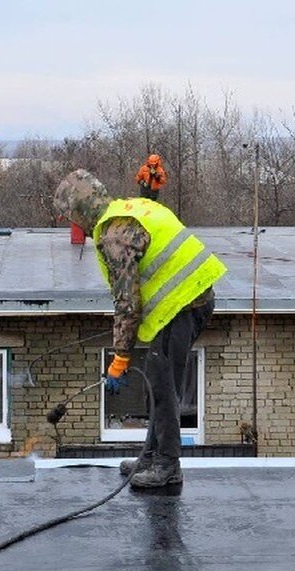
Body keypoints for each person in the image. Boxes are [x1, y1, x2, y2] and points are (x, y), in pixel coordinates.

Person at [53, 169, 227, 489]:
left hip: (185, 304)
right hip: (192, 296)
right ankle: (151, 455)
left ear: (80, 214)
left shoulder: (114, 235)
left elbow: (127, 303)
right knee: (156, 381)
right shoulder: (130, 206)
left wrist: (120, 358)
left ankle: (168, 465)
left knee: (162, 384)